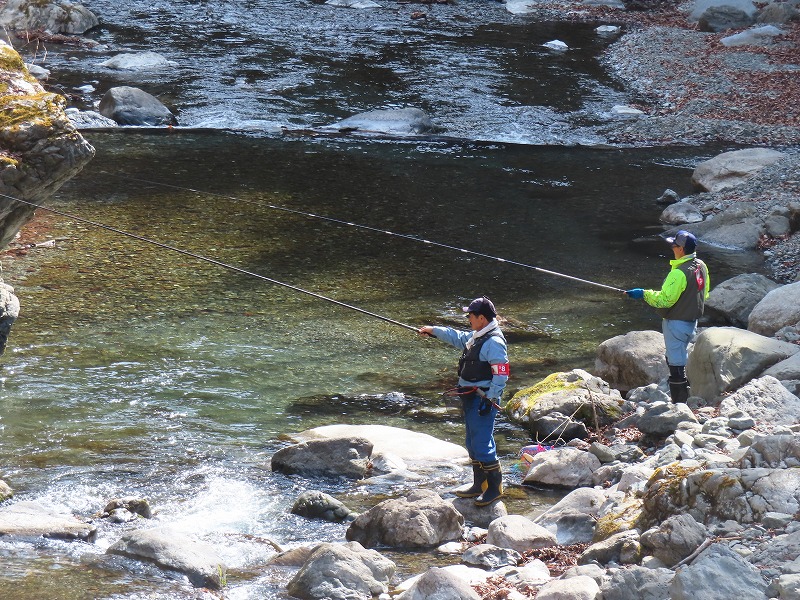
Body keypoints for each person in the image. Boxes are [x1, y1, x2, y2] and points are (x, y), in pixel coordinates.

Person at [419, 296, 509, 506]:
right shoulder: (477, 336)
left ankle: (495, 488)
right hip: (469, 396)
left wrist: (491, 398)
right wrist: (432, 329)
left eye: (470, 315)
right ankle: (480, 484)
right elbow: (457, 336)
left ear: (482, 318)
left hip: (483, 399)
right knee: (471, 442)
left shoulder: (494, 342)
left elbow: (502, 373)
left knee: (481, 442)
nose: (468, 318)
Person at [625, 230, 710, 404]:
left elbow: (664, 300)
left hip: (676, 323)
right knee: (676, 358)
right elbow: (704, 292)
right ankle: (683, 399)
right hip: (691, 322)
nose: (671, 247)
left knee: (676, 365)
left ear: (681, 249)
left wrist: (643, 294)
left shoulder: (678, 273)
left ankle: (679, 406)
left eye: (674, 244)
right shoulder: (700, 265)